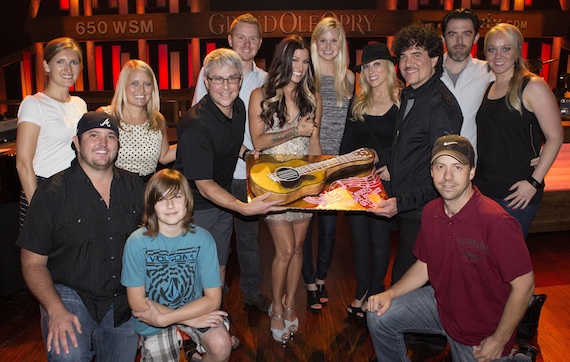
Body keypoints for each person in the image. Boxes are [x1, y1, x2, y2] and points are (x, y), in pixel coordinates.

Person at [366, 134, 537, 362]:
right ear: (431, 171)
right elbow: (425, 265)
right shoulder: (431, 211)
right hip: (442, 304)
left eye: (457, 167)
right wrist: (390, 293)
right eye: (440, 166)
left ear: (472, 171)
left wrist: (499, 339)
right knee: (378, 315)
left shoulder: (496, 222)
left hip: (479, 331)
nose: (447, 176)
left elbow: (525, 286)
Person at [16, 111, 144, 361]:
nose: (103, 143)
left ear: (118, 144)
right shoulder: (51, 193)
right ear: (76, 142)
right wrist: (55, 310)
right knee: (69, 353)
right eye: (93, 135)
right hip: (69, 293)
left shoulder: (136, 188)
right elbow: (32, 263)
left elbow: (154, 246)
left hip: (121, 297)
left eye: (110, 136)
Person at [191, 13, 271, 313]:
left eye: (253, 38)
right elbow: (204, 120)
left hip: (252, 173)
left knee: (249, 239)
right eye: (241, 37)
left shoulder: (266, 80)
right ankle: (215, 297)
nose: (246, 43)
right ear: (230, 39)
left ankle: (251, 291)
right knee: (215, 241)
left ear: (260, 43)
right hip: (219, 172)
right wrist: (242, 151)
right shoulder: (209, 73)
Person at [371, 25, 463, 284]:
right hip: (410, 208)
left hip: (424, 212)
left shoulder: (440, 106)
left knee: (406, 283)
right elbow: (413, 148)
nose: (407, 62)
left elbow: (447, 176)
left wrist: (402, 203)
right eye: (402, 56)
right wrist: (381, 157)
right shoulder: (411, 94)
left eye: (416, 54)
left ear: (434, 58)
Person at [249, 34, 322, 343]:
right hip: (273, 182)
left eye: (305, 62)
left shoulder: (311, 97)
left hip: (304, 181)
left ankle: (292, 303)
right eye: (295, 60)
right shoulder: (260, 95)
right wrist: (293, 129)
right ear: (282, 59)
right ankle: (276, 307)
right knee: (285, 249)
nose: (300, 67)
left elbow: (315, 143)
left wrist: (320, 178)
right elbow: (259, 142)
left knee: (299, 248)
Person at [121, 169, 232, 362]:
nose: (170, 205)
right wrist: (184, 320)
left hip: (192, 310)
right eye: (161, 199)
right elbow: (137, 302)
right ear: (151, 205)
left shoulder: (203, 239)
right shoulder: (136, 242)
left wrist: (167, 319)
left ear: (188, 200)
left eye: (177, 197)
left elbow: (214, 299)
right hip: (153, 316)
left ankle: (188, 342)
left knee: (222, 344)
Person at [474, 23, 564, 239]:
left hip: (517, 192)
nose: (498, 55)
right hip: (484, 189)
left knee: (508, 261)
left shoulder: (532, 86)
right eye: (492, 49)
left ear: (517, 51)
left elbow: (555, 136)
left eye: (506, 48)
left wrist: (534, 182)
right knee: (485, 258)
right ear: (485, 52)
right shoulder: (489, 87)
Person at [338, 42, 399, 323]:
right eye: (366, 66)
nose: (371, 71)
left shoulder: (403, 101)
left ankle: (376, 291)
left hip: (384, 183)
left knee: (379, 241)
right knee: (359, 241)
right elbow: (347, 144)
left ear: (388, 67)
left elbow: (407, 144)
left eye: (377, 64)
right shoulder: (358, 101)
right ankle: (361, 291)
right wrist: (344, 174)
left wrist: (388, 164)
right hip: (358, 183)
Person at [303, 16, 355, 313]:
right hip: (309, 163)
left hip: (337, 165)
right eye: (322, 40)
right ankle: (309, 283)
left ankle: (321, 278)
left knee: (329, 230)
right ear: (315, 43)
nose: (328, 46)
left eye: (334, 40)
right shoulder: (304, 76)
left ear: (341, 44)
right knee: (304, 230)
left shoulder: (348, 77)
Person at [16, 37, 87, 228]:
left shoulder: (80, 104)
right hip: (42, 189)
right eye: (60, 61)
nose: (68, 69)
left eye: (74, 62)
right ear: (47, 66)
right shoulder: (34, 103)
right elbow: (23, 163)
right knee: (41, 256)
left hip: (76, 189)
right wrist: (39, 208)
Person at [98, 59, 176, 182]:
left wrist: (193, 140)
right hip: (114, 188)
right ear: (123, 85)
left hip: (147, 189)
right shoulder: (105, 116)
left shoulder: (157, 119)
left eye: (147, 84)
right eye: (135, 83)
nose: (141, 90)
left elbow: (164, 156)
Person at [440, 8, 495, 158]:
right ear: (443, 38)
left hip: (471, 165)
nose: (459, 41)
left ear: (476, 37)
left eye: (466, 34)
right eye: (452, 34)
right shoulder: (428, 72)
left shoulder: (489, 72)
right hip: (431, 165)